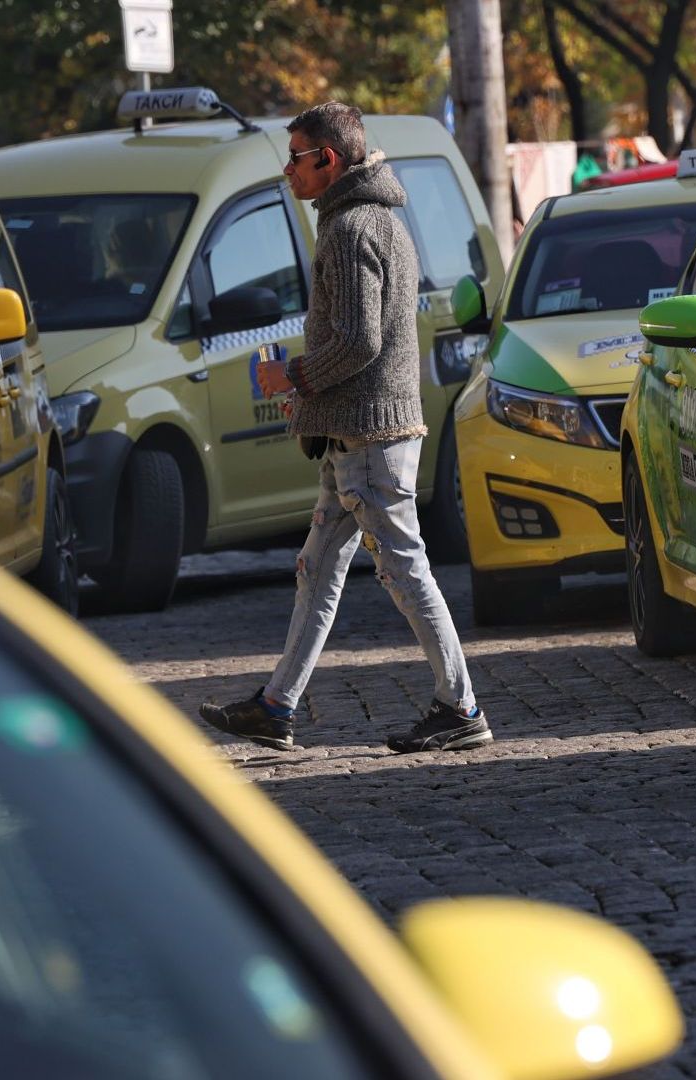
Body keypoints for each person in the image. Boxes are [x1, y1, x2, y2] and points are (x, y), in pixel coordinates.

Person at [198, 102, 490, 755]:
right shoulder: (373, 220)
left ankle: (461, 706)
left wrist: (292, 377)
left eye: (296, 156)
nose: (288, 169)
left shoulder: (352, 228)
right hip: (355, 434)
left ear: (327, 160)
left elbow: (359, 342)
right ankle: (276, 706)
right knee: (317, 568)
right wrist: (309, 399)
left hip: (370, 438)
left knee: (404, 569)